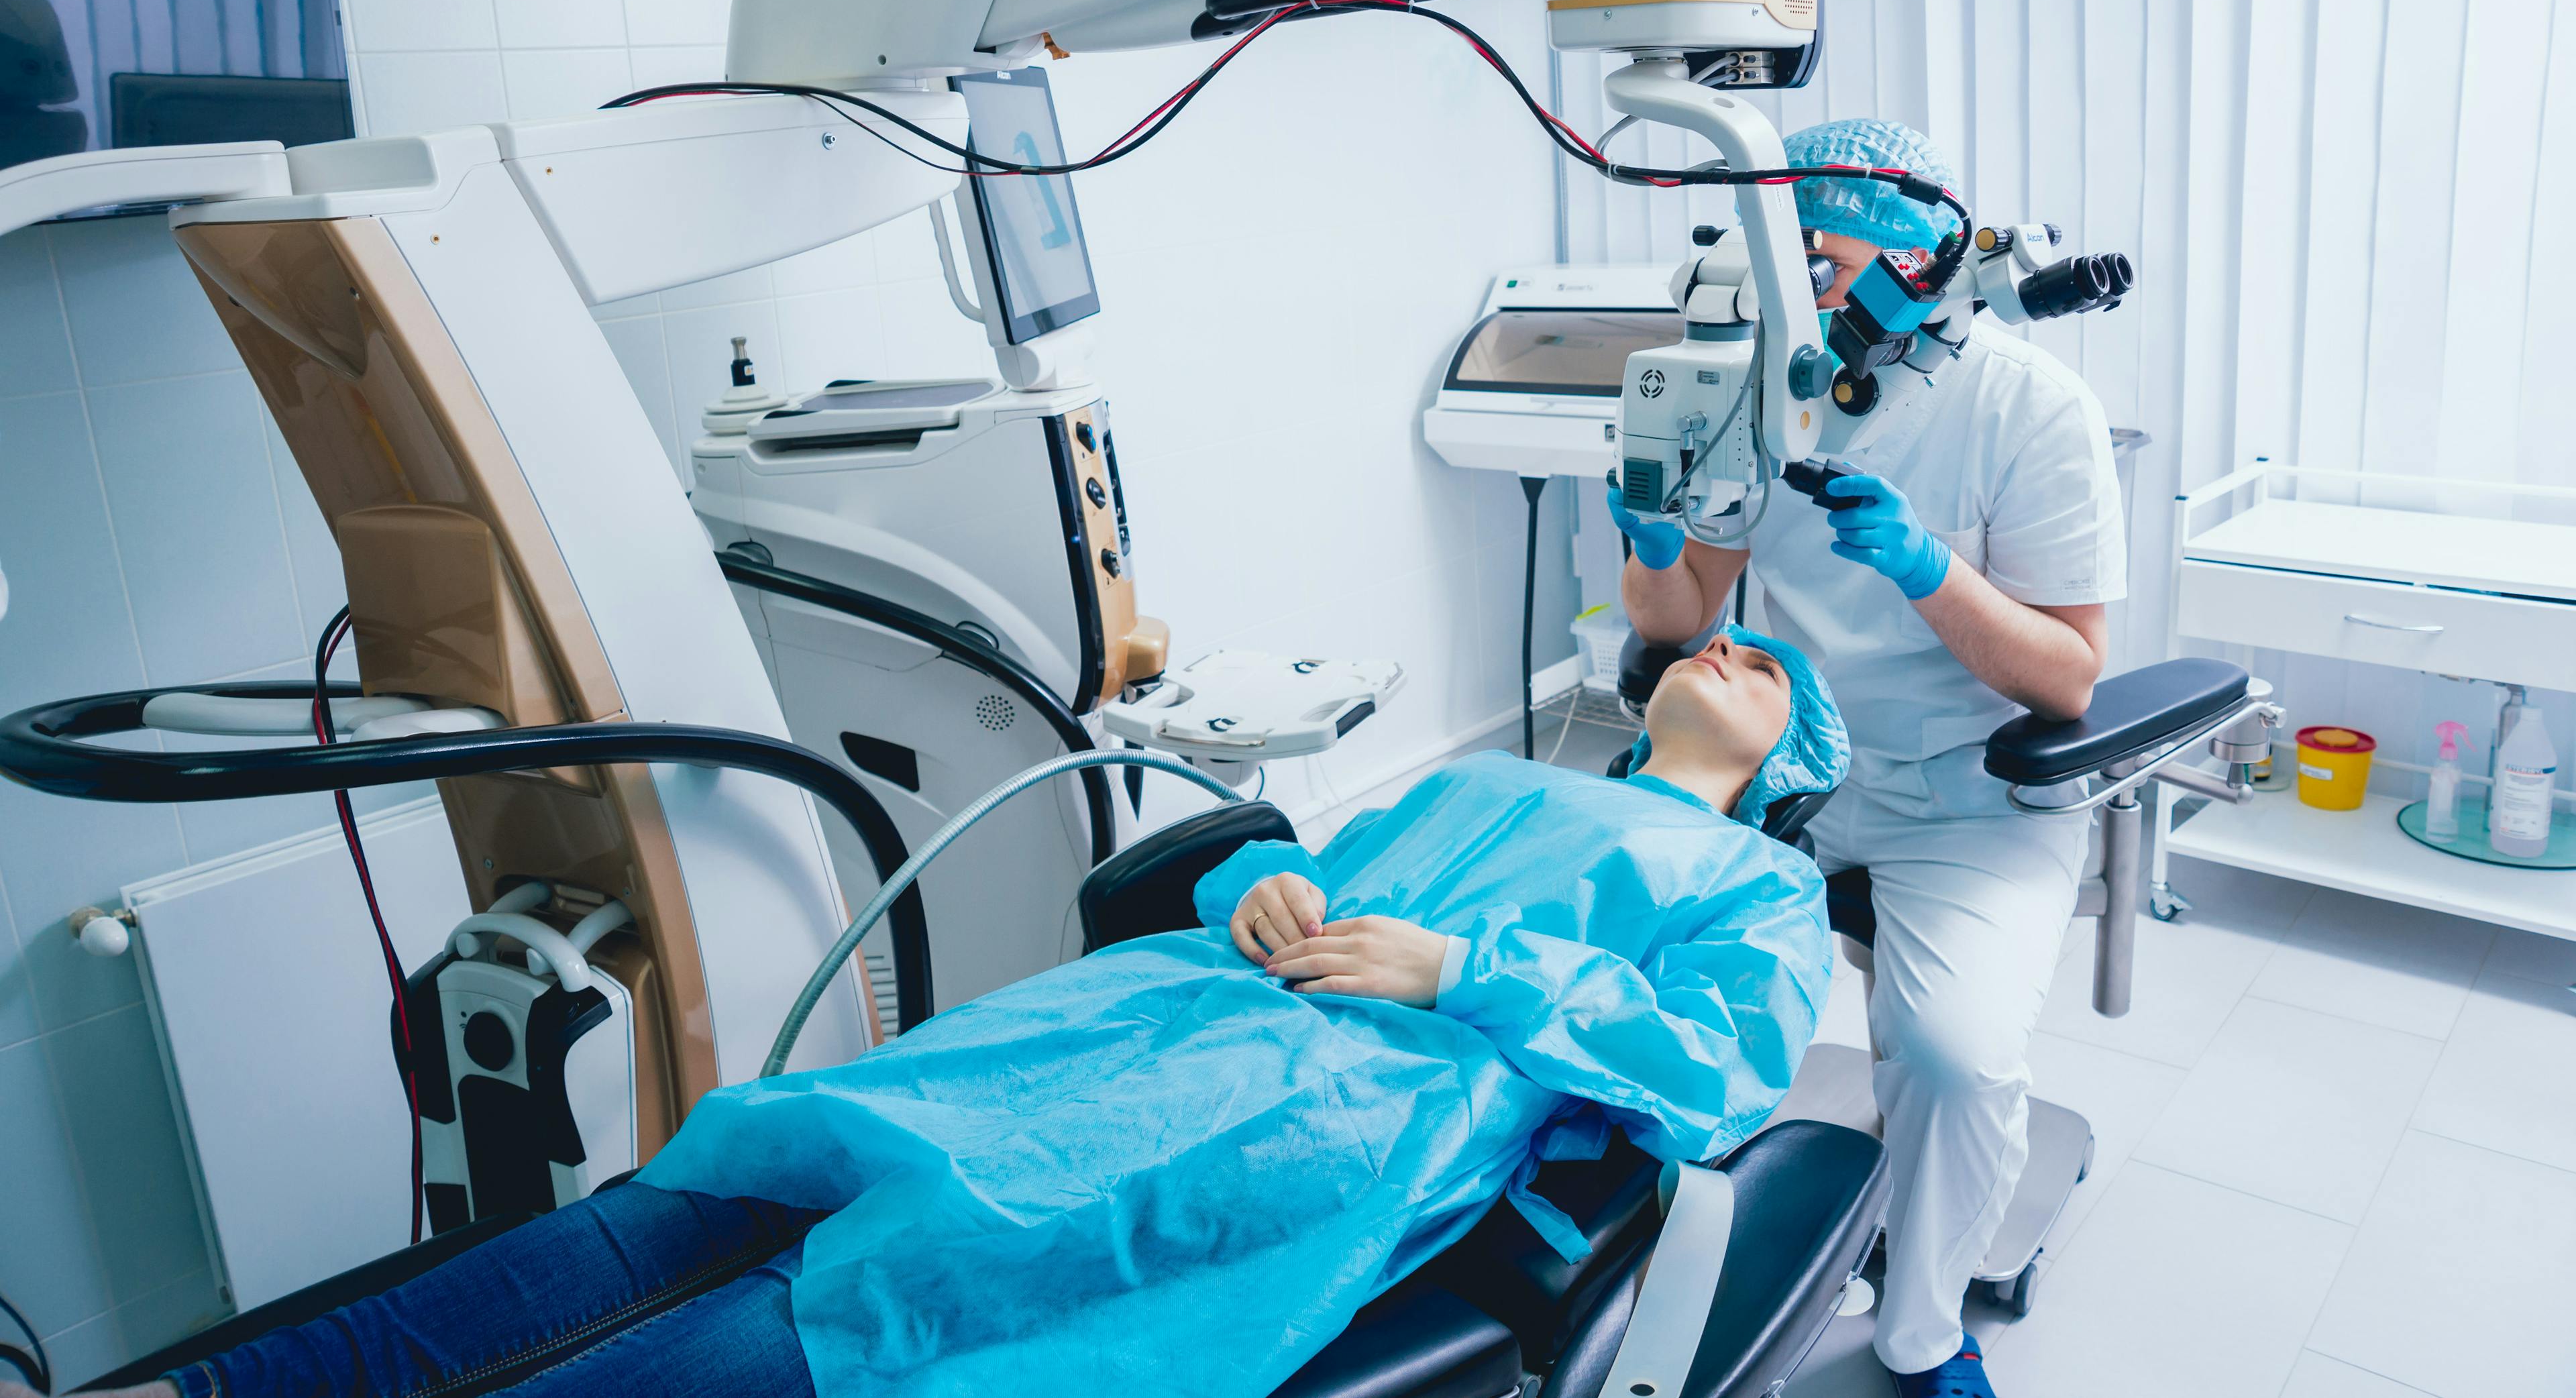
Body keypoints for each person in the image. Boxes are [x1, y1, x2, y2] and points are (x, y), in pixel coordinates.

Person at [50, 627, 1845, 1398]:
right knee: (684, 1200)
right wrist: (1255, 885)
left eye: (1772, 675)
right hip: (1137, 1019)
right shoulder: (1499, 777)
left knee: (839, 1304)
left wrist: (1468, 971)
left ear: (1785, 771)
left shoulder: (1758, 888)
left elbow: (1718, 1068)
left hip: (1324, 1120)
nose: (1732, 652)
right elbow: (1291, 859)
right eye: (1722, 639)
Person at [1613, 119, 2123, 1398]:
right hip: (1796, 766)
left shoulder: (2031, 407)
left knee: (1950, 1058)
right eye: (1791, 271)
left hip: (1975, 789)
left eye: (1829, 271)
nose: (1808, 304)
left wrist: (1928, 572)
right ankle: (1617, 1246)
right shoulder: (1765, 385)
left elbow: (2067, 674)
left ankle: (1925, 1333)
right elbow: (1681, 627)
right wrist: (1662, 544)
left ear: (1918, 266)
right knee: (1615, 952)